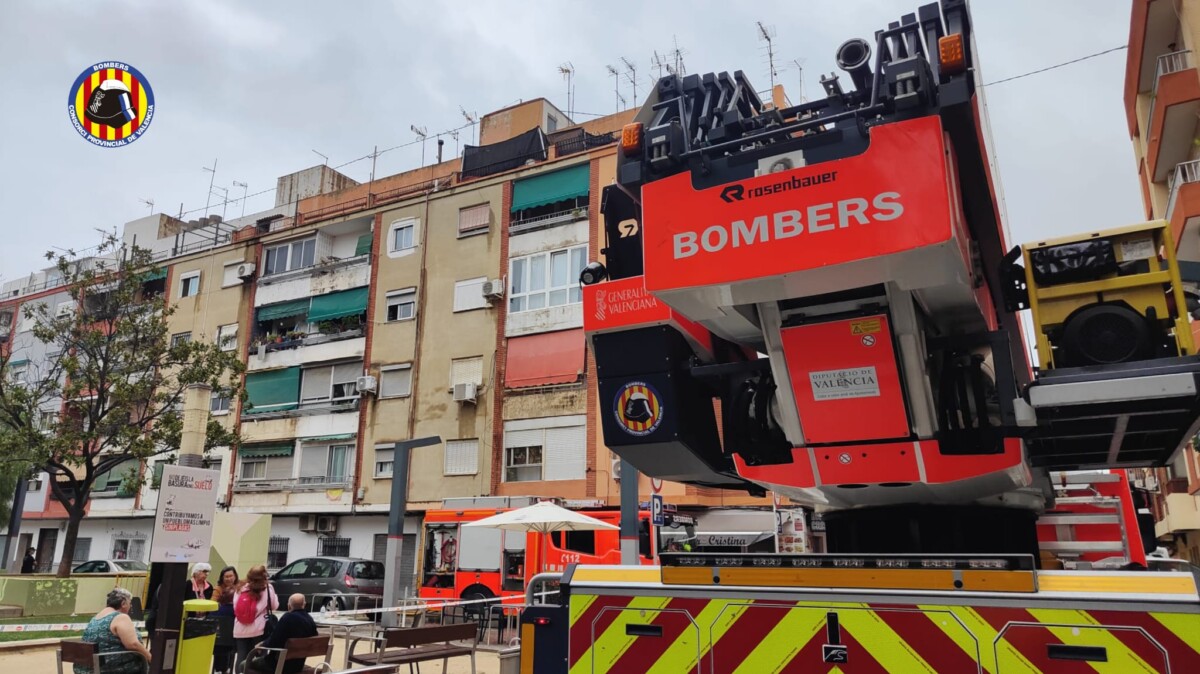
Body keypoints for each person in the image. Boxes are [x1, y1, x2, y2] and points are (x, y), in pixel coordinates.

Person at [75, 587, 152, 674]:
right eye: (130, 603)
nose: (130, 607)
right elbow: (133, 644)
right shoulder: (120, 617)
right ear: (123, 603)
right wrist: (150, 658)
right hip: (112, 668)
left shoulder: (96, 618)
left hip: (89, 668)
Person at [246, 594, 317, 674]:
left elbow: (274, 641)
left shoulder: (287, 618)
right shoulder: (310, 620)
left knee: (244, 665)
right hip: (298, 665)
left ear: (289, 606)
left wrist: (262, 644)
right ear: (304, 604)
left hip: (277, 664)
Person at [233, 564, 278, 672]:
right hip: (259, 628)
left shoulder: (240, 587)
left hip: (240, 628)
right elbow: (274, 606)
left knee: (241, 656)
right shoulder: (267, 588)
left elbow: (235, 606)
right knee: (260, 657)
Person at [213, 566, 240, 674]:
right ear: (222, 578)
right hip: (223, 627)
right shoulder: (218, 589)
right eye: (226, 576)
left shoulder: (240, 587)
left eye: (231, 576)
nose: (229, 579)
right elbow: (213, 603)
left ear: (235, 576)